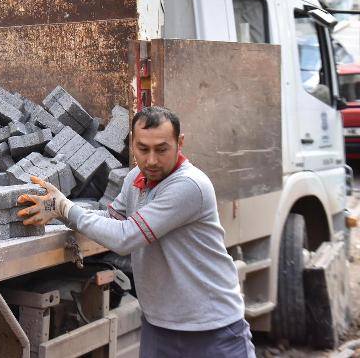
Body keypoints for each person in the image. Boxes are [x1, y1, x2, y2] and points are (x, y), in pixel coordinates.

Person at [17, 106, 255, 357]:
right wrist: (58, 213)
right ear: (132, 143)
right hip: (160, 327)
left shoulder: (189, 185)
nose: (151, 160)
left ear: (180, 143)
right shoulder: (135, 179)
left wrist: (66, 208)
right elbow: (112, 220)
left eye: (161, 149)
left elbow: (125, 236)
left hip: (212, 329)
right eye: (143, 149)